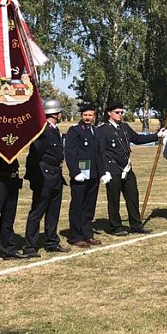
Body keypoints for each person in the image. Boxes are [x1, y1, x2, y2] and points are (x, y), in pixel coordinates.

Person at [95, 102, 163, 235]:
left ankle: (136, 225)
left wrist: (156, 136)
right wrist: (103, 171)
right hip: (113, 169)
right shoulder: (102, 130)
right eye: (117, 112)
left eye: (121, 112)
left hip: (126, 169)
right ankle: (115, 227)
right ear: (109, 113)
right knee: (114, 199)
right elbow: (100, 151)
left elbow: (137, 139)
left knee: (133, 196)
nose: (120, 115)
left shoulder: (124, 127)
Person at [22, 100, 69, 257]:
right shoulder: (43, 131)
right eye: (60, 112)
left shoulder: (54, 130)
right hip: (44, 176)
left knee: (53, 212)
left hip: (55, 175)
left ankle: (51, 241)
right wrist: (35, 178)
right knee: (37, 212)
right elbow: (35, 156)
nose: (62, 114)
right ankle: (30, 246)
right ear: (55, 113)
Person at [64, 103, 102, 247]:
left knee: (89, 205)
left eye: (90, 115)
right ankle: (76, 236)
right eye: (85, 115)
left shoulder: (95, 131)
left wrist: (101, 173)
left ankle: (87, 234)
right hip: (81, 172)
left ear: (94, 116)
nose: (87, 117)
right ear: (81, 116)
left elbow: (98, 154)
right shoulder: (75, 131)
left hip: (93, 173)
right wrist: (75, 172)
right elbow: (70, 153)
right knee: (78, 205)